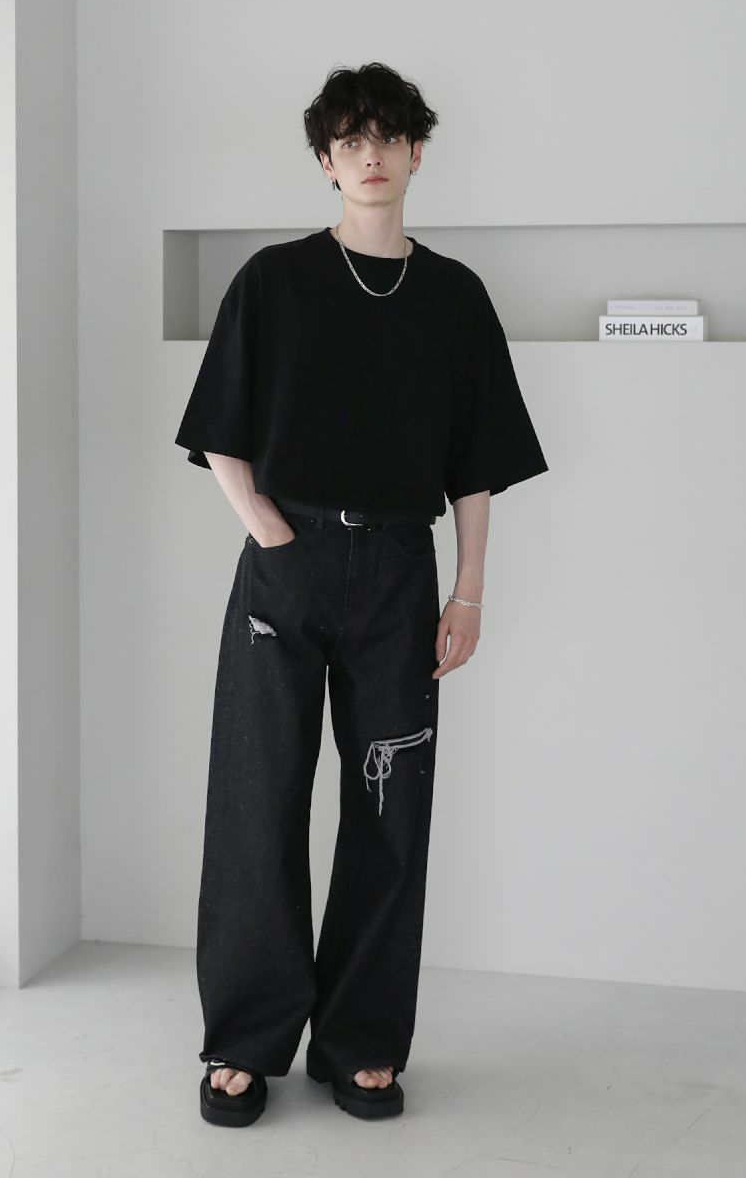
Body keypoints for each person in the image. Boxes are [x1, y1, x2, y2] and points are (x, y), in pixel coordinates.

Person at [175, 62, 549, 1127]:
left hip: (397, 572)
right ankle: (245, 1039)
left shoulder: (454, 297)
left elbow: (475, 466)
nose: (369, 156)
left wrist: (468, 594)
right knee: (257, 802)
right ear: (325, 162)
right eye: (349, 141)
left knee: (390, 810)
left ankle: (362, 1042)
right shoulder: (274, 280)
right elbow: (219, 430)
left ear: (417, 152)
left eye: (387, 137)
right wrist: (270, 531)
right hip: (284, 570)